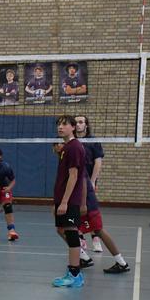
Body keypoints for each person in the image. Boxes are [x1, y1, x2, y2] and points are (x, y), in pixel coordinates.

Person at [52, 115, 87, 288]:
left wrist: (65, 202)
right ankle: (79, 256)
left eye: (64, 124)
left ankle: (75, 273)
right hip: (62, 197)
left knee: (72, 232)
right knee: (61, 229)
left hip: (70, 199)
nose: (60, 127)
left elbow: (74, 176)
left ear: (73, 127)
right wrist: (57, 201)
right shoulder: (65, 147)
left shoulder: (74, 147)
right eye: (59, 124)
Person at [74, 115, 104, 250]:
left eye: (81, 122)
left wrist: (92, 181)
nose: (78, 125)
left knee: (91, 209)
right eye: (76, 123)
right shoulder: (71, 141)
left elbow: (98, 162)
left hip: (88, 180)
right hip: (74, 181)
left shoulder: (94, 141)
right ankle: (80, 238)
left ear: (86, 125)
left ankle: (95, 238)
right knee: (76, 209)